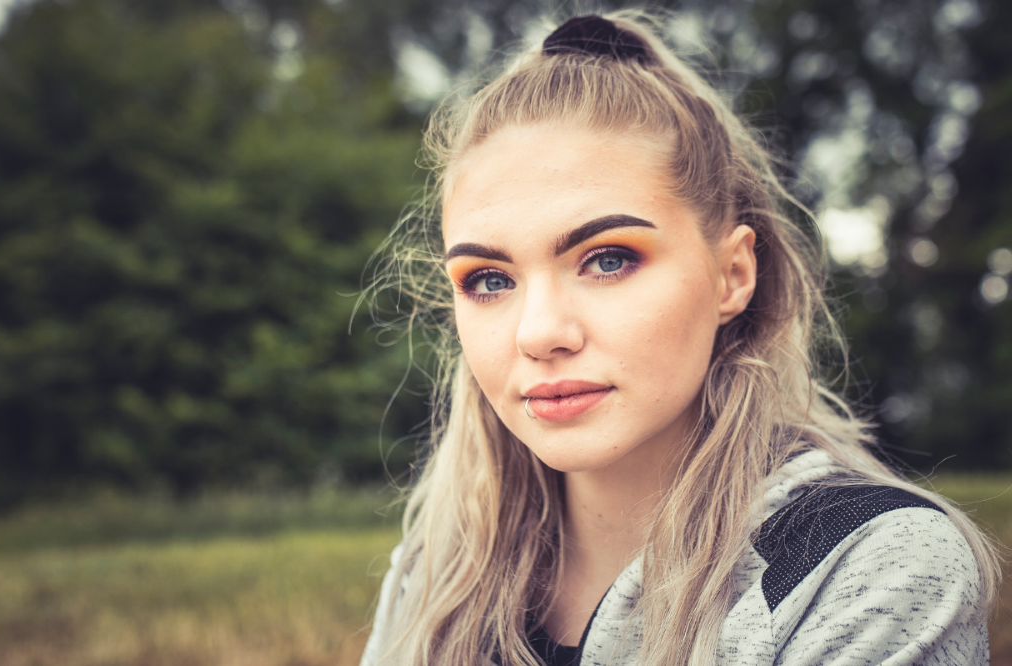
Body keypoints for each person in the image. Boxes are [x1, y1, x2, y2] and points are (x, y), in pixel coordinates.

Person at [358, 10, 999, 666]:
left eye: (608, 259)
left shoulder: (868, 569)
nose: (539, 332)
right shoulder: (433, 583)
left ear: (733, 275)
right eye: (490, 280)